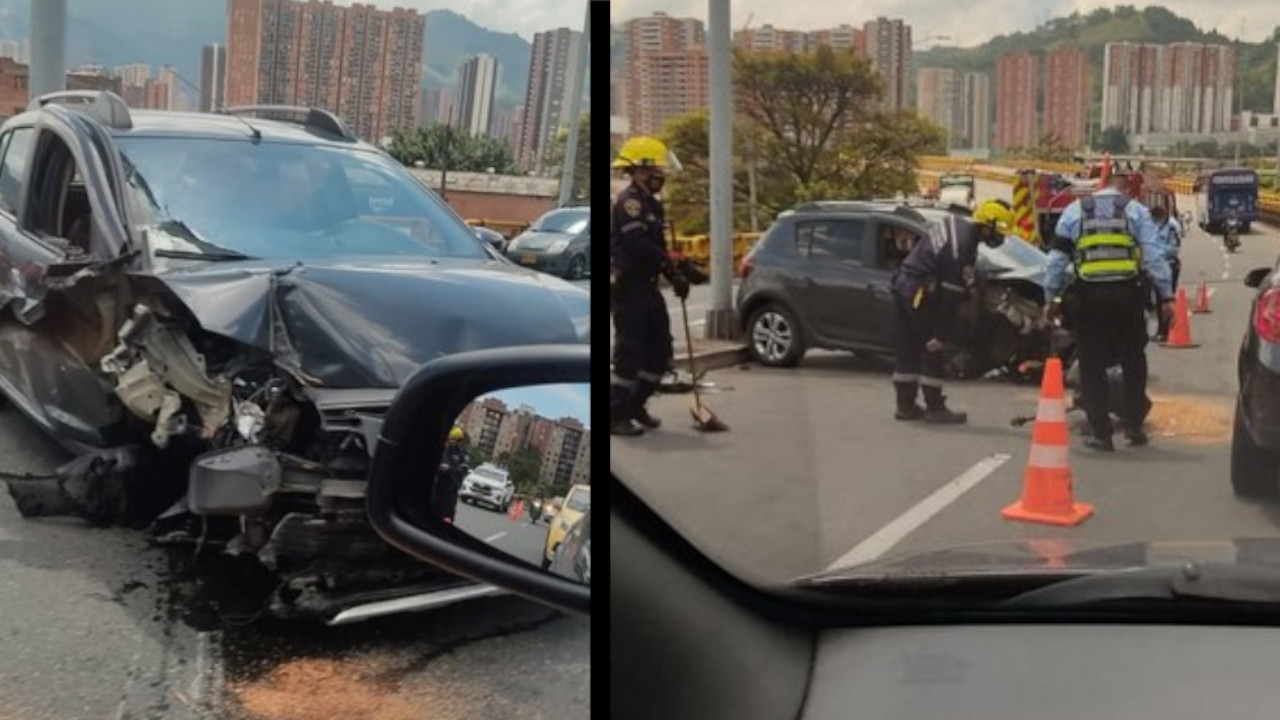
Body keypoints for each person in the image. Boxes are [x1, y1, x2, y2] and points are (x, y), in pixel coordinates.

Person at [1045, 174, 1174, 451]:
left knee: (1092, 366)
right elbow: (1153, 256)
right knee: (1133, 362)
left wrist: (1051, 297)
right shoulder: (1135, 211)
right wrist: (1166, 296)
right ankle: (1134, 427)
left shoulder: (1074, 211)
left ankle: (1101, 433)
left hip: (1090, 298)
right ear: (1124, 188)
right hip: (1127, 296)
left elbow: (1056, 260)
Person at [891, 199, 1014, 423]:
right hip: (922, 291)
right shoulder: (964, 245)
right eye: (1000, 231)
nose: (1001, 237)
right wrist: (940, 332)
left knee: (907, 344)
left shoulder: (955, 225)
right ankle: (935, 407)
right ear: (987, 224)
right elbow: (950, 294)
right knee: (933, 347)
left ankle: (905, 405)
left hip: (905, 283)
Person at [610, 136, 689, 436]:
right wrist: (668, 267)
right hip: (630, 288)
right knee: (630, 353)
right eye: (655, 168)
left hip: (648, 286)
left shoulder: (651, 205)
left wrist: (681, 271)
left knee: (660, 350)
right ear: (640, 170)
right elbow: (639, 245)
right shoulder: (628, 202)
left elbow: (660, 246)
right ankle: (616, 412)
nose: (660, 174)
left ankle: (636, 404)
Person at [1149, 205, 1183, 341]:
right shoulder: (1154, 224)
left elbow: (1174, 248)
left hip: (1169, 265)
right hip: (1157, 266)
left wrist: (1156, 254)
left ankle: (1165, 331)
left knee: (1165, 299)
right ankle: (1162, 330)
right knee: (1157, 300)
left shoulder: (1172, 226)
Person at [432, 425, 469, 524]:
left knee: (448, 514)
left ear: (459, 441)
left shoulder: (461, 455)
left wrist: (450, 469)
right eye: (451, 439)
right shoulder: (443, 450)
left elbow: (463, 470)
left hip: (452, 488)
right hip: (439, 486)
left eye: (455, 439)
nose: (452, 441)